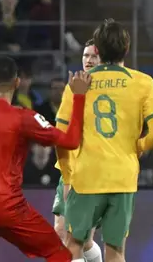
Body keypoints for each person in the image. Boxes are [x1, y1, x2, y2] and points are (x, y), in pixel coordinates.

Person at [0, 55, 91, 262]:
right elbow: (71, 141)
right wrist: (79, 96)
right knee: (58, 254)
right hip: (9, 208)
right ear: (17, 83)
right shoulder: (22, 117)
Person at [60, 19, 153, 262]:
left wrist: (67, 176)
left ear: (98, 51)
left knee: (73, 244)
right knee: (115, 250)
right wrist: (138, 147)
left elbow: (61, 138)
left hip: (86, 176)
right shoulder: (143, 82)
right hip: (123, 177)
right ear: (126, 49)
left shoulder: (77, 84)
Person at [51, 39, 102, 262]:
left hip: (94, 172)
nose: (88, 60)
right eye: (85, 55)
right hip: (70, 169)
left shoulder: (108, 91)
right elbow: (61, 132)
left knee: (78, 239)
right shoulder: (70, 89)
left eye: (94, 56)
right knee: (62, 233)